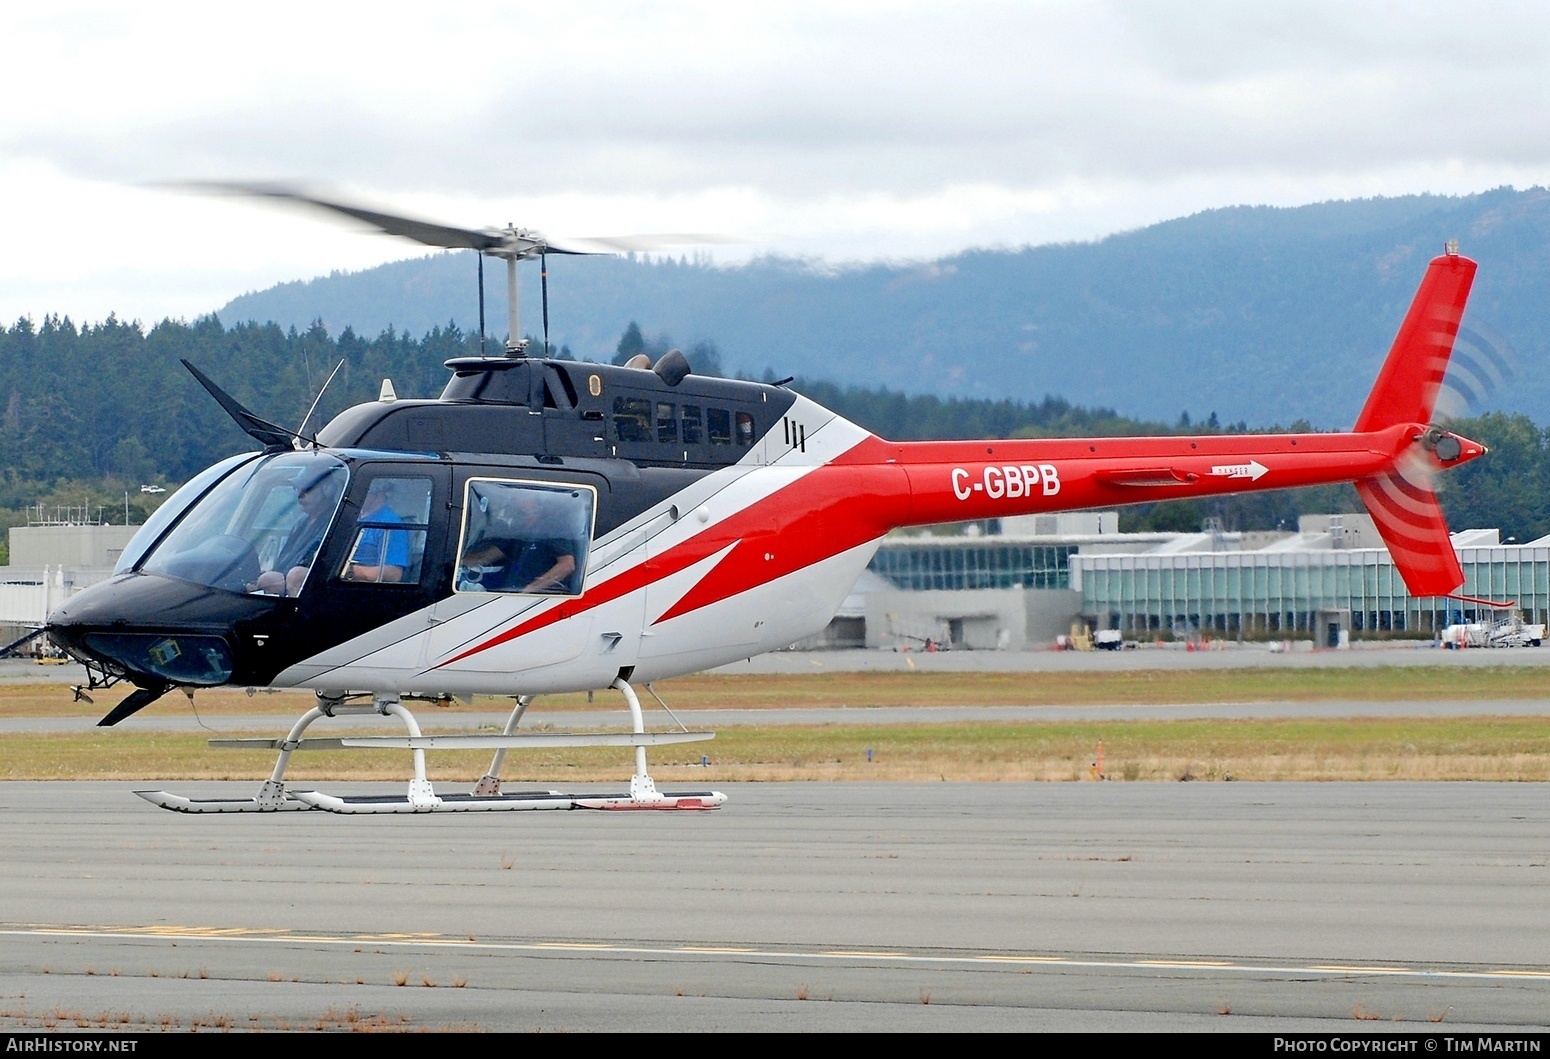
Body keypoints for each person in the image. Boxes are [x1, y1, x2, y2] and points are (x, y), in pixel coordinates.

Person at [458, 488, 578, 594]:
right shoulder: (520, 530)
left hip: (531, 600)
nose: (517, 501)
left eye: (522, 497)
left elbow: (566, 565)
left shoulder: (552, 528)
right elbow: (488, 556)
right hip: (508, 591)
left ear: (537, 500)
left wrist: (530, 589)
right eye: (516, 497)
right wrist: (459, 562)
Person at [251, 472, 342, 596]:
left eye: (307, 490)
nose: (300, 495)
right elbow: (285, 557)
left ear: (327, 490)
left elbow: (313, 560)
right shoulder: (301, 522)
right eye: (297, 489)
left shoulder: (335, 520)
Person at [342, 483, 410, 583]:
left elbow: (394, 574)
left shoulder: (390, 523)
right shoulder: (352, 517)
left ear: (378, 492)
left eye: (360, 490)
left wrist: (351, 571)